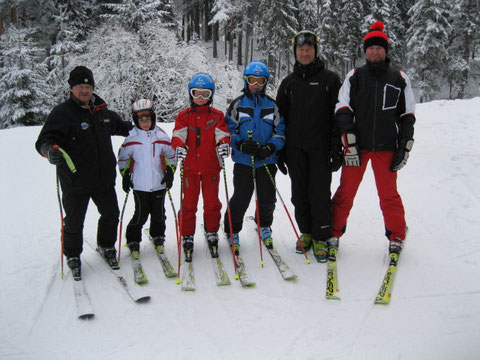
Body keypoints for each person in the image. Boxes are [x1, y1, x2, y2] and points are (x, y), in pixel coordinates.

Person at [35, 66, 133, 277]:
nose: (85, 91)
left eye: (88, 86)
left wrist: (146, 125)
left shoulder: (102, 111)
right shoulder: (62, 113)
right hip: (75, 180)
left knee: (111, 214)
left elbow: (124, 127)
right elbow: (44, 140)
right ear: (72, 88)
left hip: (103, 178)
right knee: (74, 220)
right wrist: (48, 151)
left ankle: (106, 246)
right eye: (80, 86)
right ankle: (72, 255)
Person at [328, 21, 416, 256]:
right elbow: (342, 107)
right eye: (371, 48)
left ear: (385, 51)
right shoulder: (355, 76)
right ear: (365, 51)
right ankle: (333, 233)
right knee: (346, 191)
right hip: (358, 147)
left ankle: (396, 235)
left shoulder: (399, 77)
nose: (375, 52)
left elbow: (408, 115)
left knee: (388, 194)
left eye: (379, 48)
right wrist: (349, 138)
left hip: (387, 146)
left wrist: (405, 146)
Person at [276, 30, 342, 261]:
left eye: (309, 49)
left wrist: (337, 148)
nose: (304, 53)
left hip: (320, 149)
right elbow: (279, 119)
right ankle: (306, 232)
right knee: (299, 193)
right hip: (295, 149)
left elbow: (339, 116)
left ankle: (321, 237)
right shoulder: (288, 83)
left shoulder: (330, 80)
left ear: (315, 51)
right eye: (301, 50)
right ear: (295, 52)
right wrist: (280, 151)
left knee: (320, 193)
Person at [223, 61, 285, 254]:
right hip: (243, 160)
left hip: (266, 159)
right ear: (246, 81)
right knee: (241, 196)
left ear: (266, 82)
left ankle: (264, 224)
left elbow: (281, 131)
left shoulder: (273, 106)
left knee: (267, 198)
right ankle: (232, 229)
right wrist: (240, 144)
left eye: (260, 80)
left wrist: (270, 147)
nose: (256, 84)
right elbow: (228, 130)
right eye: (252, 80)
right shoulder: (238, 104)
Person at [171, 73, 230, 262]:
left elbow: (222, 135)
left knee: (212, 203)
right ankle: (187, 234)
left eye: (205, 94)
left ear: (211, 95)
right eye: (197, 93)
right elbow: (178, 136)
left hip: (211, 168)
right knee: (188, 205)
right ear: (191, 94)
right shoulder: (184, 116)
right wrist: (178, 147)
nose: (201, 98)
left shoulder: (217, 116)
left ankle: (212, 231)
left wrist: (223, 145)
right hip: (190, 170)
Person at [118, 99, 175, 258]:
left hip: (159, 183)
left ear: (153, 117)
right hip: (140, 185)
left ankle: (158, 235)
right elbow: (123, 158)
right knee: (140, 214)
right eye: (140, 119)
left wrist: (170, 171)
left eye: (148, 118)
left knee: (159, 214)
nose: (145, 122)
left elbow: (171, 155)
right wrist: (125, 175)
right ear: (135, 120)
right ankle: (133, 239)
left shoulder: (161, 135)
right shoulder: (131, 138)